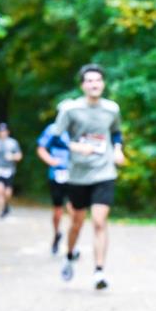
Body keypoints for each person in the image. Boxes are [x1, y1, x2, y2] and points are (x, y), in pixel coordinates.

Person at [42, 64, 125, 289]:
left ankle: (99, 271)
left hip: (104, 171)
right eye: (89, 81)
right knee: (76, 222)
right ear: (82, 85)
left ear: (103, 83)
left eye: (97, 80)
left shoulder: (111, 109)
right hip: (78, 174)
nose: (94, 84)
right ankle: (69, 256)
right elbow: (54, 138)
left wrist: (117, 149)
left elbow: (117, 132)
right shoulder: (71, 110)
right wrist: (76, 147)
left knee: (99, 221)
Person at [36, 123, 74, 255]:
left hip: (75, 175)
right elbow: (41, 148)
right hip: (57, 174)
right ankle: (57, 234)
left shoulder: (78, 127)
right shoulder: (53, 129)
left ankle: (72, 241)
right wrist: (51, 160)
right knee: (58, 210)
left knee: (74, 209)